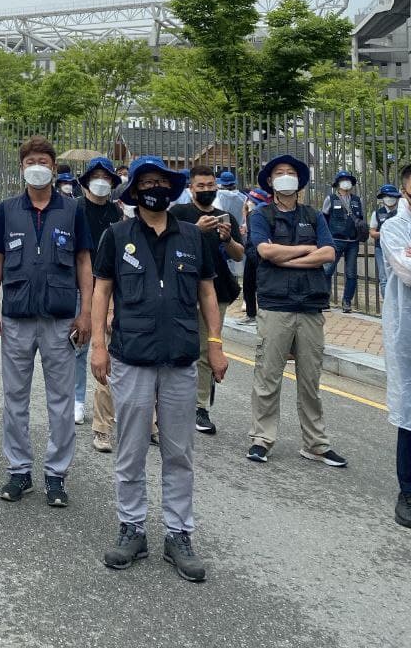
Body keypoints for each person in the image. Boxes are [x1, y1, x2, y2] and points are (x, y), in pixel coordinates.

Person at [91, 156, 225, 583]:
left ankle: (178, 533)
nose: (154, 188)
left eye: (161, 182)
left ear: (173, 189)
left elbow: (207, 292)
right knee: (129, 449)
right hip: (131, 357)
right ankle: (131, 528)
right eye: (146, 182)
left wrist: (217, 346)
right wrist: (98, 345)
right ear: (134, 190)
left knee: (179, 452)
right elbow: (101, 290)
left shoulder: (192, 236)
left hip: (181, 358)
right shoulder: (116, 235)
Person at [0, 136, 93, 509]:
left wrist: (87, 312)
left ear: (53, 167)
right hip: (16, 317)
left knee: (61, 401)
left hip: (60, 319)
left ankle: (56, 474)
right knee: (15, 398)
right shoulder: (7, 210)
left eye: (44, 160)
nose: (38, 166)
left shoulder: (72, 209)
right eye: (31, 160)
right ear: (22, 167)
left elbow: (83, 262)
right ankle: (19, 471)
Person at [246, 155, 346, 468]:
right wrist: (307, 250)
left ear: (299, 181)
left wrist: (287, 259)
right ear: (271, 181)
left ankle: (315, 444)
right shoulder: (262, 216)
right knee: (268, 376)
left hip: (311, 306)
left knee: (310, 380)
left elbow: (329, 252)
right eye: (280, 173)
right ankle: (262, 439)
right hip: (276, 305)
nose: (286, 177)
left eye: (291, 173)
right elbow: (265, 250)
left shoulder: (314, 216)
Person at [171, 163, 244, 437]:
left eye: (210, 186)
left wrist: (227, 239)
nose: (206, 190)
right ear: (190, 188)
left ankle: (200, 406)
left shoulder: (225, 217)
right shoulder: (179, 215)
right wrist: (195, 230)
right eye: (200, 186)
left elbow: (238, 254)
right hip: (182, 289)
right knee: (179, 346)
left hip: (217, 290)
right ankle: (175, 400)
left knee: (206, 347)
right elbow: (168, 244)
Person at [75, 157, 123, 451]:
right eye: (96, 176)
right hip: (80, 283)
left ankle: (109, 412)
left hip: (108, 285)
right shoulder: (75, 210)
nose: (102, 181)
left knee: (106, 349)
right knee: (80, 344)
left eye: (107, 176)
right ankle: (77, 399)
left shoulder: (116, 214)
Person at [380, 163, 411, 527]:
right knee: (410, 412)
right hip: (407, 331)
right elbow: (406, 271)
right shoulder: (394, 227)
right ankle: (407, 490)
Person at [322, 170, 364, 313]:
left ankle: (347, 301)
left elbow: (361, 220)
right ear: (338, 183)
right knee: (327, 270)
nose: (346, 182)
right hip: (335, 240)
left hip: (353, 241)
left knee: (351, 273)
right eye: (343, 179)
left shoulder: (357, 200)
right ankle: (325, 299)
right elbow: (324, 219)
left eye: (348, 180)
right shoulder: (330, 198)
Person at [237, 188, 270, 323]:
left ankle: (254, 315)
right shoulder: (254, 214)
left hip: (255, 254)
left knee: (252, 285)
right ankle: (254, 314)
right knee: (251, 285)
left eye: (249, 199)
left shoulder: (254, 214)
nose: (247, 201)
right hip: (254, 253)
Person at [371, 184, 400, 304]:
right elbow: (372, 233)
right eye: (386, 196)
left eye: (391, 196)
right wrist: (384, 233)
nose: (389, 198)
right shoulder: (377, 213)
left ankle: (399, 303)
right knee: (384, 278)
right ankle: (388, 305)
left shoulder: (402, 212)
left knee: (399, 277)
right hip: (381, 249)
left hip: (398, 249)